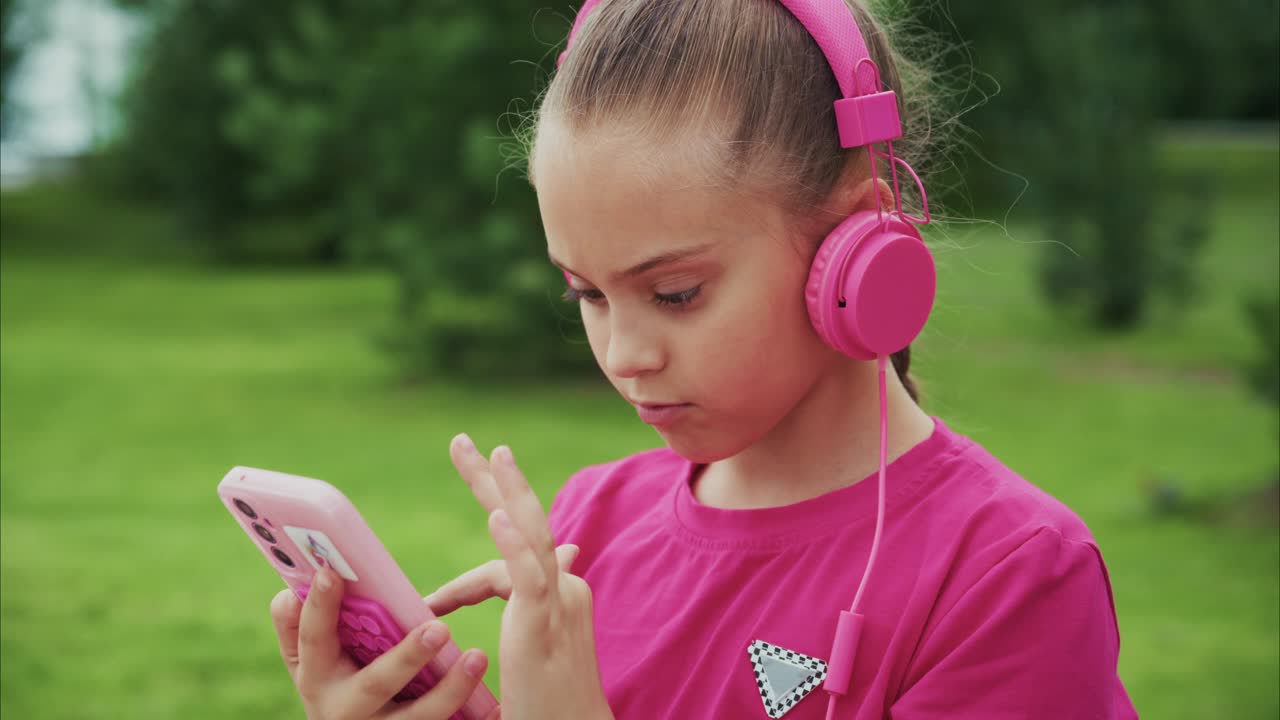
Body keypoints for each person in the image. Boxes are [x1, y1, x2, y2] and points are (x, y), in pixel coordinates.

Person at [269, 1, 1140, 718]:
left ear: (855, 246)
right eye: (588, 295)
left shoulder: (1009, 574)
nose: (626, 355)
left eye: (676, 293)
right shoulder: (589, 530)